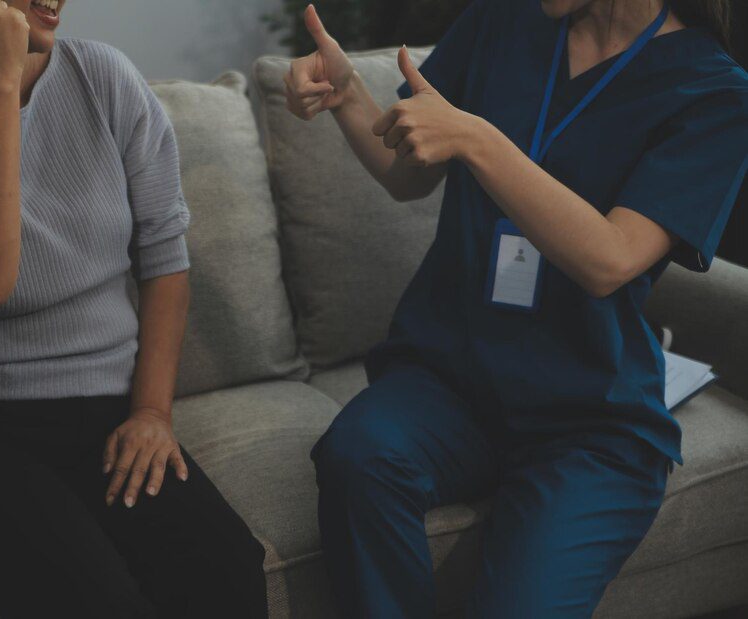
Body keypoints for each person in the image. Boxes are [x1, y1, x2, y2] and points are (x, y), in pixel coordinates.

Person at [285, 0, 747, 616]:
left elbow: (610, 260)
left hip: (589, 417)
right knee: (357, 456)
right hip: (451, 380)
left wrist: (477, 139)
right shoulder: (501, 21)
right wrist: (346, 96)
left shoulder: (715, 93)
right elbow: (407, 175)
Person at [0, 1, 267, 616]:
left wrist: (151, 411)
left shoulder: (101, 77)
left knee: (227, 570)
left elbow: (164, 257)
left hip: (102, 414)